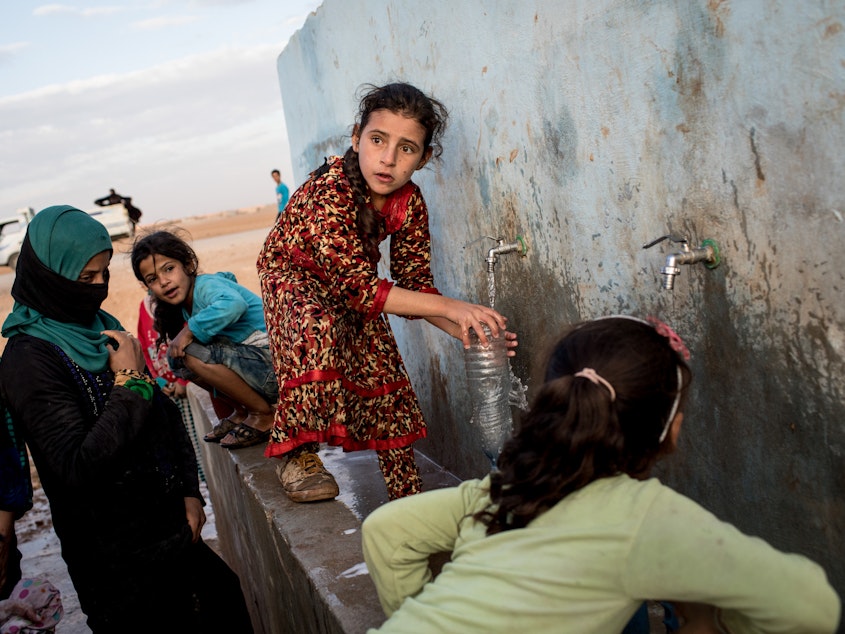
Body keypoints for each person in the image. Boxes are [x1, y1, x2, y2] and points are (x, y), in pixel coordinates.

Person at [361, 316, 841, 633]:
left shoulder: (502, 488)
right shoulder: (643, 520)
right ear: (669, 429)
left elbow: (387, 530)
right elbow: (812, 606)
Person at [258, 81, 516, 504]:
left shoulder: (409, 202)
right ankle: (295, 454)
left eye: (407, 148)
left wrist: (465, 329)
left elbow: (414, 287)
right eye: (378, 140)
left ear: (424, 157)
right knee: (319, 328)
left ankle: (407, 497)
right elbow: (363, 291)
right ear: (357, 137)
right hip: (294, 276)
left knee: (385, 374)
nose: (389, 158)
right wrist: (453, 306)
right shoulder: (328, 192)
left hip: (359, 285)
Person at [0, 205, 252, 633]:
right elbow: (77, 467)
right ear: (49, 276)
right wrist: (131, 379)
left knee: (224, 602)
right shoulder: (30, 360)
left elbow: (165, 416)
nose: (98, 287)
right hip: (116, 563)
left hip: (172, 534)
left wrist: (191, 493)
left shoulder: (102, 328)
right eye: (86, 278)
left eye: (104, 274)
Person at [131, 229, 278, 450]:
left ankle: (263, 415)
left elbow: (235, 304)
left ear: (188, 265)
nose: (164, 281)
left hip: (277, 367)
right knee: (177, 359)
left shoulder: (206, 286)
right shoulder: (185, 306)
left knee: (189, 352)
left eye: (169, 269)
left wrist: (189, 331)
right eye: (152, 279)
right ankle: (242, 410)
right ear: (147, 287)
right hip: (260, 368)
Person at [137, 293, 205, 480]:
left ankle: (205, 482)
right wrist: (159, 381)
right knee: (184, 445)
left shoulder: (179, 302)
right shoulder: (144, 307)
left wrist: (183, 382)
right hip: (167, 389)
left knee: (201, 442)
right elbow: (144, 347)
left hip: (190, 386)